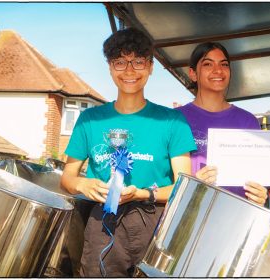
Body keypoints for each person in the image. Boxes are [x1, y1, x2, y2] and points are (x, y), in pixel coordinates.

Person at [61, 28, 196, 277]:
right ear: (111, 67)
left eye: (138, 61)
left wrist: (143, 193)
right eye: (120, 62)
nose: (130, 71)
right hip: (101, 223)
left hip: (156, 225)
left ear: (151, 66)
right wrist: (83, 184)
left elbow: (184, 188)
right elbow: (67, 178)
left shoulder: (172, 122)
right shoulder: (89, 120)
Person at [176, 42, 268, 206]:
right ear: (193, 74)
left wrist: (260, 195)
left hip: (235, 220)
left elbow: (257, 179)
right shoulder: (175, 119)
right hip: (190, 216)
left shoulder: (248, 121)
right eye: (208, 64)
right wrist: (193, 184)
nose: (218, 70)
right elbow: (165, 181)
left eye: (224, 64)